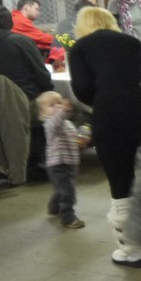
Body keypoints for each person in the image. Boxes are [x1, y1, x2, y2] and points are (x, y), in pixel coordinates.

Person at [68, 6, 141, 268]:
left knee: (121, 183)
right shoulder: (133, 42)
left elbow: (82, 88)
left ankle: (131, 251)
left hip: (110, 118)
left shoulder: (80, 48)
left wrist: (102, 99)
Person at [0, 6, 53, 102]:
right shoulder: (22, 42)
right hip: (24, 100)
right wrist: (48, 91)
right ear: (11, 23)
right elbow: (41, 74)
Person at [36, 91, 87, 229]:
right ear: (43, 113)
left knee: (61, 189)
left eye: (59, 102)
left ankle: (53, 207)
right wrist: (64, 109)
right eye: (52, 105)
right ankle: (67, 216)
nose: (58, 106)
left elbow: (73, 138)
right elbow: (57, 122)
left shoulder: (67, 123)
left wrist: (81, 139)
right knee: (68, 191)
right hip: (57, 164)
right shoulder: (50, 123)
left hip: (71, 162)